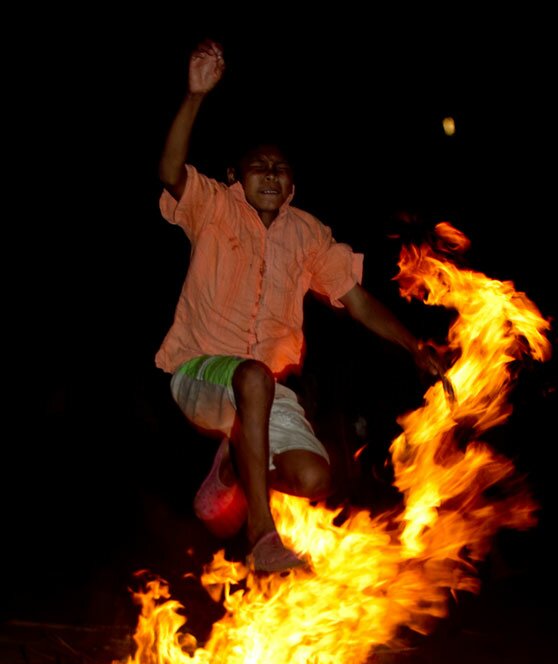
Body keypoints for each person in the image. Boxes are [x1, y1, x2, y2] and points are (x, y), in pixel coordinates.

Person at [155, 38, 448, 574]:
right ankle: (262, 534)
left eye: (281, 167)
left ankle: (230, 468)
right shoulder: (214, 209)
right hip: (200, 372)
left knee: (315, 478)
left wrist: (414, 346)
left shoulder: (309, 234)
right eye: (258, 165)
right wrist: (194, 96)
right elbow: (172, 170)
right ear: (233, 177)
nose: (270, 172)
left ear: (293, 183)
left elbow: (356, 300)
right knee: (253, 376)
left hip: (261, 394)